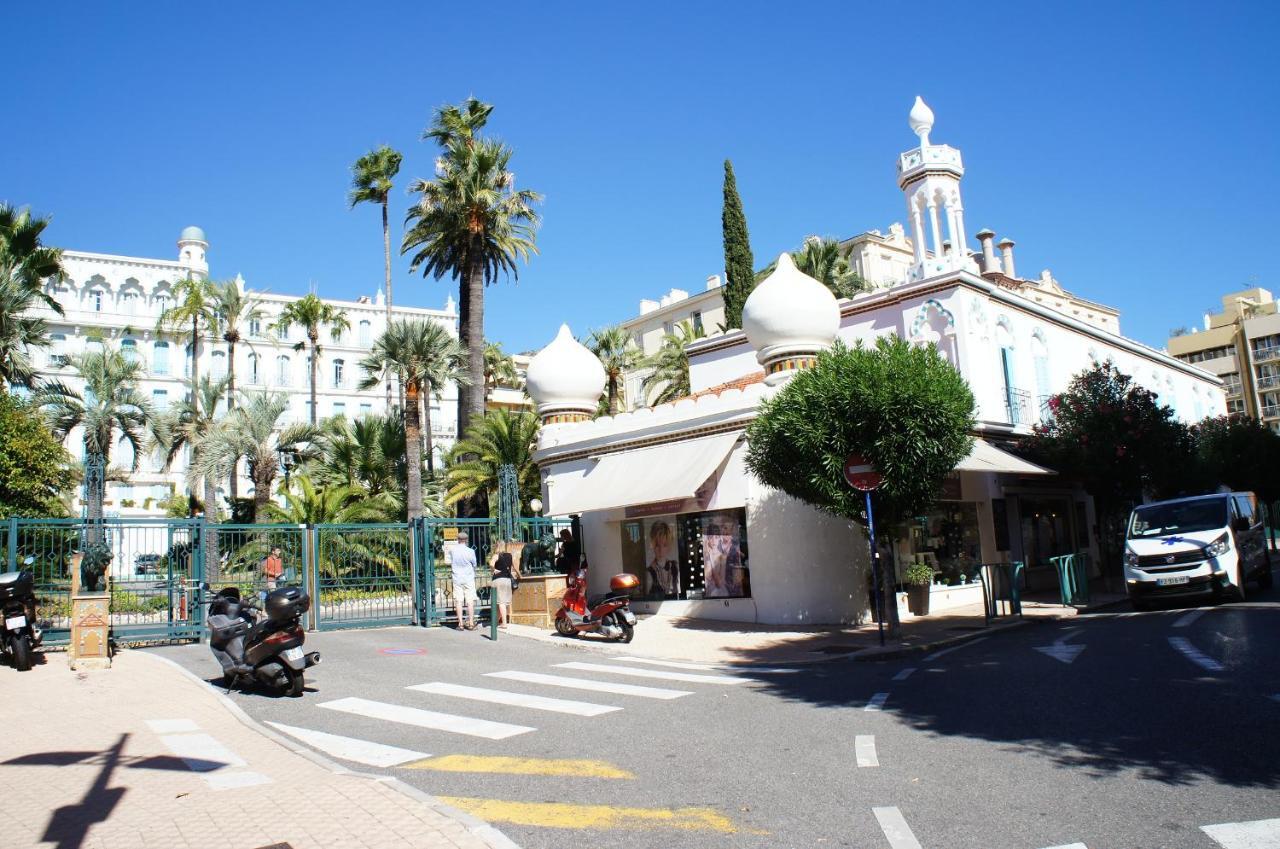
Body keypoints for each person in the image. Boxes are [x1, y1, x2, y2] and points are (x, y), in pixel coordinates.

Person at [450, 532, 478, 630]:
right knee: (470, 600)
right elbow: (474, 564)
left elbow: (451, 562)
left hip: (457, 578)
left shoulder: (453, 550)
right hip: (468, 578)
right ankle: (471, 623)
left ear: (458, 539)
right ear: (466, 540)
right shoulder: (470, 551)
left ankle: (460, 624)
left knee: (459, 601)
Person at [490, 550, 519, 629]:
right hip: (507, 581)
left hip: (498, 580)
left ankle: (504, 623)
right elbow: (515, 566)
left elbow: (491, 563)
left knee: (500, 603)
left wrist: (494, 569)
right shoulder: (510, 556)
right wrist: (520, 575)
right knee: (503, 602)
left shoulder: (496, 555)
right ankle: (496, 622)